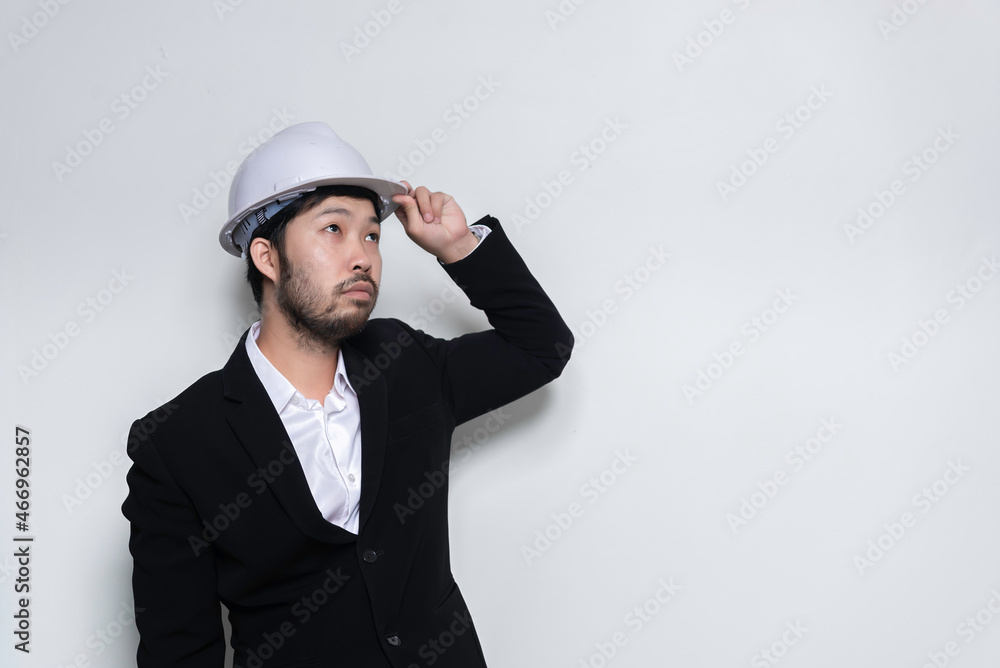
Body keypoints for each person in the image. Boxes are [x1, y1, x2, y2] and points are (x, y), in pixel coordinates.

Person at [121, 122, 573, 667]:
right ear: (267, 257)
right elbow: (178, 652)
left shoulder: (403, 361)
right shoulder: (178, 442)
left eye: (372, 235)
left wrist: (459, 248)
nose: (362, 256)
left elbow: (542, 347)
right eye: (333, 229)